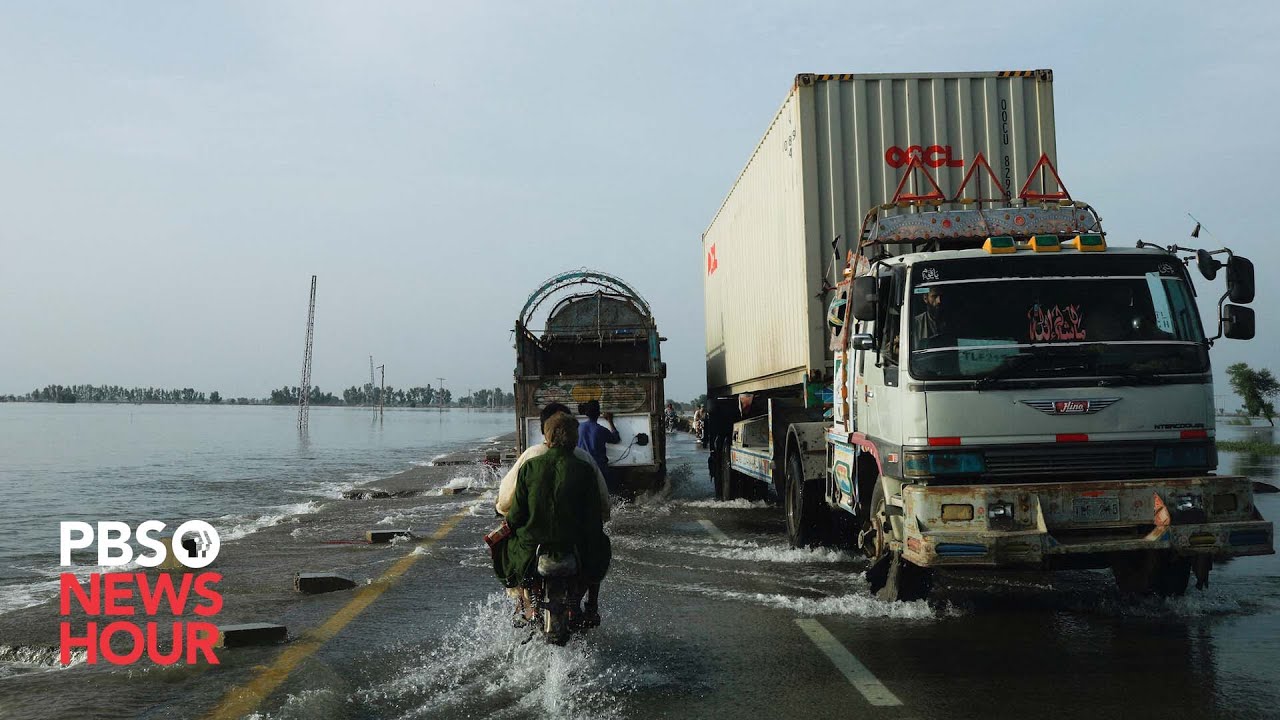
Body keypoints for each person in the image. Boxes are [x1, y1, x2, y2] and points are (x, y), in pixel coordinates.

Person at [493, 413, 611, 626]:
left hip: (532, 546)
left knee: (503, 546)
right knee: (601, 547)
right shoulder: (585, 466)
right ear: (575, 438)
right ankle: (592, 607)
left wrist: (507, 526)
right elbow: (597, 513)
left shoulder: (530, 464)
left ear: (546, 436)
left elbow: (516, 514)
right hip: (575, 544)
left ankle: (522, 603)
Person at [496, 402, 610, 521]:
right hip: (578, 535)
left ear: (544, 429)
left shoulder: (530, 457)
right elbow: (604, 505)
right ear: (573, 430)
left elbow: (504, 502)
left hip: (534, 535)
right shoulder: (585, 458)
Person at [577, 400, 622, 494]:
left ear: (586, 413)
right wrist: (610, 421)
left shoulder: (578, 428)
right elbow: (616, 439)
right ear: (598, 414)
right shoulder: (601, 430)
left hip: (582, 467)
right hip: (600, 468)